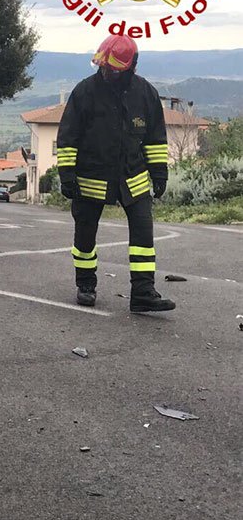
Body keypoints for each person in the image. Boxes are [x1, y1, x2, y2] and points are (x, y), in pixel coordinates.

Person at [57, 34, 175, 313]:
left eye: (113, 68)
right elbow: (68, 136)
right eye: (104, 66)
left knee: (144, 233)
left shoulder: (146, 93)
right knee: (85, 236)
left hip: (132, 178)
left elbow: (155, 137)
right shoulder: (84, 92)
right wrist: (66, 175)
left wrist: (159, 173)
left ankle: (143, 292)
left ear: (131, 66)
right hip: (90, 179)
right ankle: (86, 284)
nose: (107, 71)